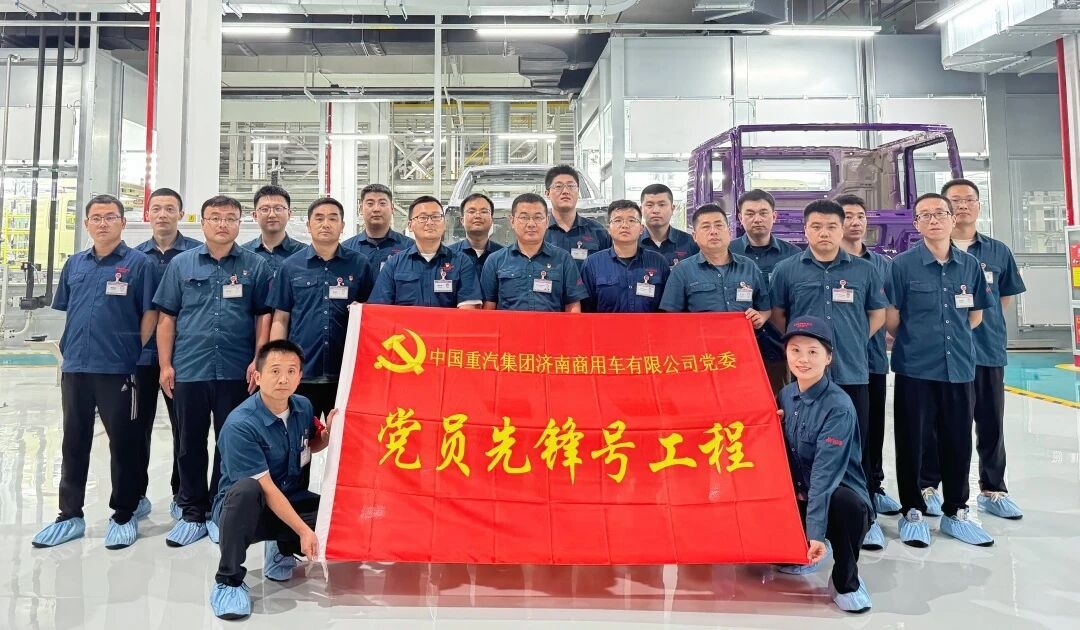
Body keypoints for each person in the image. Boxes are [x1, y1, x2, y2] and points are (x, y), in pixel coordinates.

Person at [32, 194, 158, 550]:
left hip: (118, 368)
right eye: (96, 217)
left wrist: (132, 351)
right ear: (86, 224)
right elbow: (69, 309)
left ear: (123, 222)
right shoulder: (74, 264)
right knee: (73, 441)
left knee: (124, 443)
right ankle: (70, 514)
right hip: (75, 367)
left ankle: (124, 512)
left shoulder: (140, 265)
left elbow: (150, 313)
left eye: (110, 217)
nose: (103, 223)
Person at [154, 195, 274, 547]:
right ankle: (192, 512)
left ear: (240, 223)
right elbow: (167, 318)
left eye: (230, 218)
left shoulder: (255, 266)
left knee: (230, 443)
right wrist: (165, 364)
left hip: (238, 371)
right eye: (215, 217)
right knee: (189, 443)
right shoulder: (181, 264)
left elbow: (263, 317)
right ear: (202, 222)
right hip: (190, 367)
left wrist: (258, 361)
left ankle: (222, 510)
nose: (223, 224)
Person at [768, 200, 887, 549]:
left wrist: (853, 340)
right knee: (803, 447)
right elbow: (779, 314)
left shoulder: (865, 270)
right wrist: (805, 350)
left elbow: (877, 314)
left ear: (842, 228)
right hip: (807, 379)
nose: (824, 233)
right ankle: (809, 517)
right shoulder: (787, 270)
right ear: (805, 230)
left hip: (852, 371)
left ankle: (864, 516)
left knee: (858, 448)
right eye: (816, 226)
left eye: (832, 226)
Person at [887, 193, 993, 548]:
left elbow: (975, 316)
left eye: (940, 213)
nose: (934, 220)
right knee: (912, 441)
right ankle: (912, 510)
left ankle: (956, 511)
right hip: (915, 367)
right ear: (916, 224)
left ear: (952, 219)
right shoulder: (902, 266)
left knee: (958, 440)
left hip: (959, 367)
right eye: (925, 215)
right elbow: (892, 319)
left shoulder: (970, 266)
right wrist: (920, 340)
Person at [918, 179, 1028, 520]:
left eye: (969, 199)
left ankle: (993, 489)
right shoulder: (931, 249)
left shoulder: (997, 251)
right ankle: (929, 486)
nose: (963, 205)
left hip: (986, 350)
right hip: (942, 355)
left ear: (979, 206)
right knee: (937, 423)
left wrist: (980, 327)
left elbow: (1002, 299)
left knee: (990, 420)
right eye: (955, 201)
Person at [208, 340, 330, 620]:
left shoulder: (303, 406)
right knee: (247, 490)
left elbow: (309, 445)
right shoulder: (240, 424)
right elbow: (266, 488)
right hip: (243, 510)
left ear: (300, 376)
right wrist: (303, 531)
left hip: (290, 497)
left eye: (291, 371)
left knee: (333, 516)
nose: (283, 379)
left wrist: (328, 435)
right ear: (258, 376)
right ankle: (228, 581)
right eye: (275, 371)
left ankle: (280, 549)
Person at [775, 316, 873, 614]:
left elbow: (824, 475)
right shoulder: (785, 396)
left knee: (848, 507)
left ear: (828, 358)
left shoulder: (838, 407)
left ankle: (846, 580)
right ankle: (800, 549)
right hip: (800, 490)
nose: (803, 359)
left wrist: (815, 531)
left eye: (813, 352)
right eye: (795, 350)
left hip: (832, 490)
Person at [268, 196, 375, 457]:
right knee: (299, 447)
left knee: (349, 447)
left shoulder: (360, 264)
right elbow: (281, 318)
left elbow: (372, 316)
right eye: (319, 218)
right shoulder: (290, 266)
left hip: (346, 374)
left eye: (332, 218)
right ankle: (297, 485)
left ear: (343, 225)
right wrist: (275, 364)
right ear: (308, 225)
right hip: (304, 374)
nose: (326, 224)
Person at [134, 187, 203, 521]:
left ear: (180, 214)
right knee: (136, 428)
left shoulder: (197, 254)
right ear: (148, 214)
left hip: (185, 358)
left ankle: (181, 492)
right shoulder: (135, 257)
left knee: (184, 431)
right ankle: (135, 494)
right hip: (140, 357)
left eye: (170, 208)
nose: (163, 214)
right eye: (157, 208)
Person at [836, 194, 903, 533]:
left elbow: (888, 313)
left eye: (860, 216)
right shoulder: (824, 263)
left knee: (872, 426)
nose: (855, 222)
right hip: (833, 365)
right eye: (847, 216)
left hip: (871, 360)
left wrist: (856, 338)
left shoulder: (882, 265)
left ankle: (873, 485)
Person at [728, 189, 801, 395]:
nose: (757, 219)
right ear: (740, 218)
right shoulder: (727, 252)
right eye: (750, 213)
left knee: (780, 401)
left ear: (774, 216)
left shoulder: (793, 255)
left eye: (763, 213)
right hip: (736, 347)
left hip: (780, 345)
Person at [659, 203, 770, 334]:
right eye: (706, 227)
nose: (713, 231)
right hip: (701, 343)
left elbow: (765, 309)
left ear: (729, 232)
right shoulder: (682, 270)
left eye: (719, 225)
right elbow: (670, 316)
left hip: (742, 341)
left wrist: (760, 317)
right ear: (695, 236)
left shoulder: (748, 266)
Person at [481, 193, 588, 312]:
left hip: (551, 325)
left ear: (547, 221)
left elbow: (573, 306)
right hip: (509, 325)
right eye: (524, 217)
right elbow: (488, 307)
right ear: (512, 221)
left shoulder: (563, 259)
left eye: (538, 217)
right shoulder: (495, 260)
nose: (531, 224)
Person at [369, 196, 482, 308]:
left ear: (444, 224)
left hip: (448, 321)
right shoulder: (394, 264)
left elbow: (468, 310)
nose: (430, 222)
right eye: (422, 217)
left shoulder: (461, 262)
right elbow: (379, 309)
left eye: (436, 217)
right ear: (410, 225)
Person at [580, 200, 670, 313]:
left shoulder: (658, 262)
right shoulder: (592, 264)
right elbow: (586, 310)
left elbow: (667, 307)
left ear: (641, 229)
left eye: (631, 220)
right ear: (608, 228)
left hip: (649, 325)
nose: (625, 225)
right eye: (618, 220)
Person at [542, 164, 611, 269]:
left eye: (571, 186)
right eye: (558, 186)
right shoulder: (538, 232)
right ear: (547, 193)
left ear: (578, 192)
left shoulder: (597, 231)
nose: (565, 191)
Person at [342, 183, 415, 271]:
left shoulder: (410, 247)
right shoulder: (346, 249)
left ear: (392, 208)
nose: (376, 209)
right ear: (360, 209)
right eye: (370, 204)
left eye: (382, 203)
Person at [242, 185, 305, 274]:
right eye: (265, 209)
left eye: (278, 209)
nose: (272, 215)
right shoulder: (242, 254)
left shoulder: (304, 253)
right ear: (255, 215)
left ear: (289, 214)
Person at [638, 183, 698, 267]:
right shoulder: (632, 243)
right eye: (649, 205)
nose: (656, 210)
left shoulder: (690, 242)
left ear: (672, 209)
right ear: (641, 210)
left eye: (662, 205)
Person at [447, 192, 503, 278]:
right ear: (462, 220)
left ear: (492, 220)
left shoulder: (504, 256)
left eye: (484, 211)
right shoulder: (448, 255)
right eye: (471, 211)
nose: (477, 216)